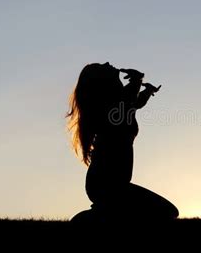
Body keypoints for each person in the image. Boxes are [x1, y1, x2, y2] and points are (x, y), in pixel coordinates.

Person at [67, 62, 179, 222]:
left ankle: (102, 215)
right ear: (102, 81)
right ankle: (87, 220)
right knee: (166, 212)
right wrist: (137, 80)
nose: (107, 63)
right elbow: (128, 101)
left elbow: (136, 103)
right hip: (105, 185)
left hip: (115, 185)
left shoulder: (119, 104)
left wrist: (147, 90)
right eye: (103, 66)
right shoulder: (111, 107)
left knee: (168, 211)